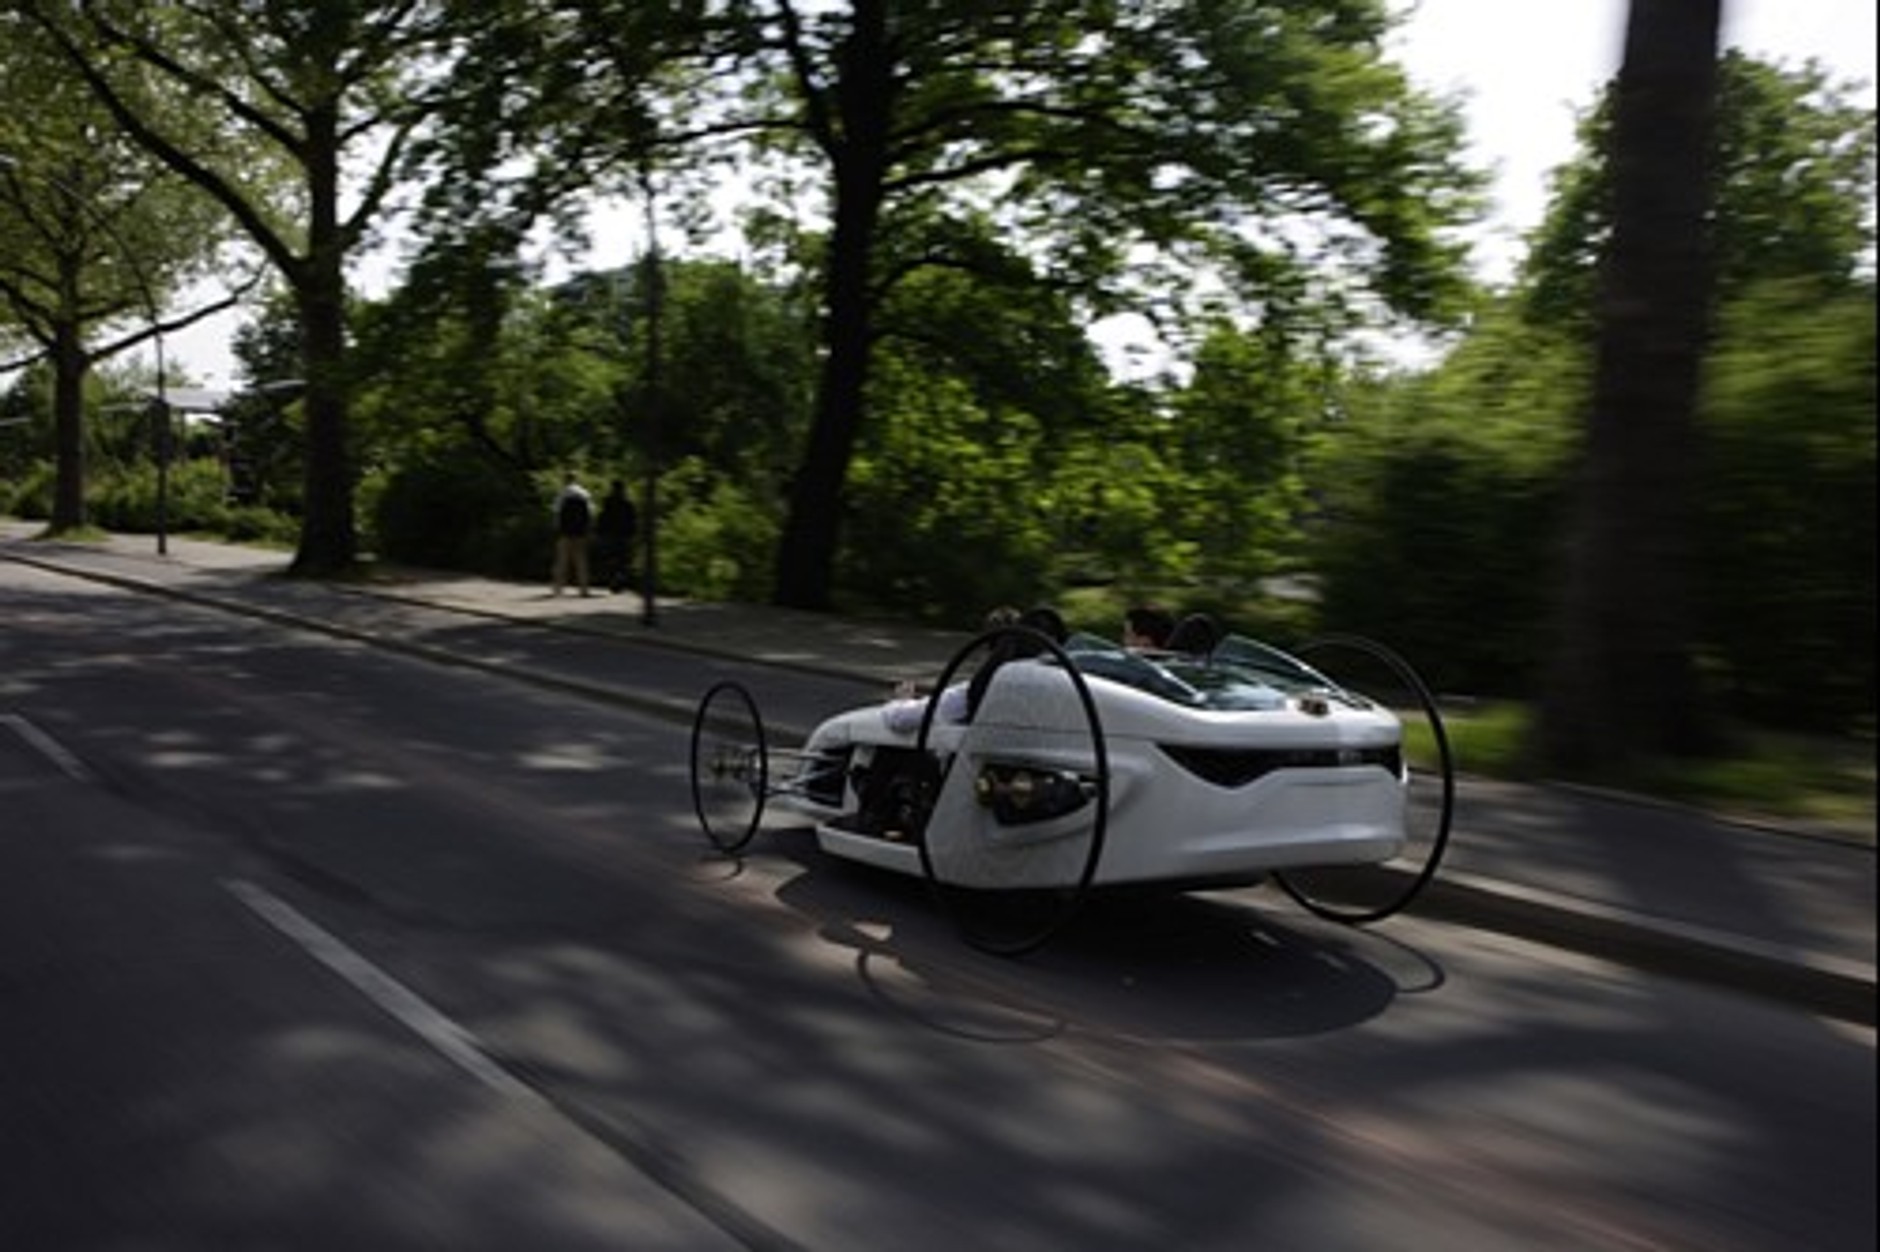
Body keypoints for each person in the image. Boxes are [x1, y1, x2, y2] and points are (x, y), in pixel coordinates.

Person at [551, 471, 594, 597]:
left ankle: (558, 589)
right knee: (581, 560)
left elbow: (556, 512)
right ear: (576, 480)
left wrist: (556, 528)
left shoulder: (563, 492)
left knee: (562, 559)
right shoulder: (585, 493)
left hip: (565, 531)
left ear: (565, 480)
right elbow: (590, 513)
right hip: (580, 531)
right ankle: (584, 589)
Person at [594, 479, 637, 594]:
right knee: (623, 560)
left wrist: (599, 532)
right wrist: (633, 534)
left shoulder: (607, 502)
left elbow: (602, 517)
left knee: (610, 558)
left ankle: (612, 580)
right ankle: (620, 581)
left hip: (609, 534)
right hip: (624, 535)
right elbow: (633, 520)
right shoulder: (628, 503)